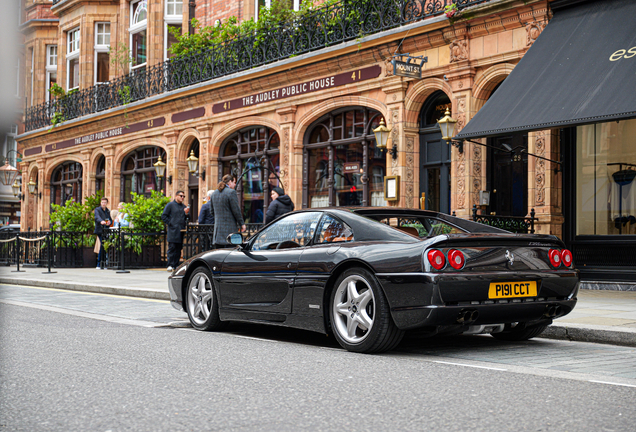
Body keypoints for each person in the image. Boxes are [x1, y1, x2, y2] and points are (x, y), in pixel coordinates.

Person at [210, 174, 246, 248]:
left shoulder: (214, 194)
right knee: (230, 256)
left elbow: (211, 211)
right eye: (234, 182)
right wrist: (242, 224)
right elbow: (236, 211)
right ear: (230, 182)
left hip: (218, 233)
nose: (235, 184)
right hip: (230, 232)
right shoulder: (231, 192)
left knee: (219, 256)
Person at [161, 190, 189, 272]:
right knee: (172, 248)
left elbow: (187, 218)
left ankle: (176, 264)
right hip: (173, 231)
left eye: (184, 196)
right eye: (181, 196)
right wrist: (171, 223)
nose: (182, 198)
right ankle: (170, 264)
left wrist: (187, 213)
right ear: (176, 196)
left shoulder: (184, 206)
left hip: (181, 231)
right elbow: (164, 216)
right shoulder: (170, 205)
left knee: (179, 248)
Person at [94, 197, 112, 269]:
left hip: (106, 230)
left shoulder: (108, 211)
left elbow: (110, 219)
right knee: (103, 245)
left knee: (105, 246)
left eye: (105, 202)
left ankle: (103, 263)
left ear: (107, 203)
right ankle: (99, 263)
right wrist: (101, 221)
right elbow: (97, 217)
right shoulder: (97, 210)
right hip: (100, 230)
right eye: (102, 202)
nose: (103, 204)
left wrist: (109, 222)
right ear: (100, 203)